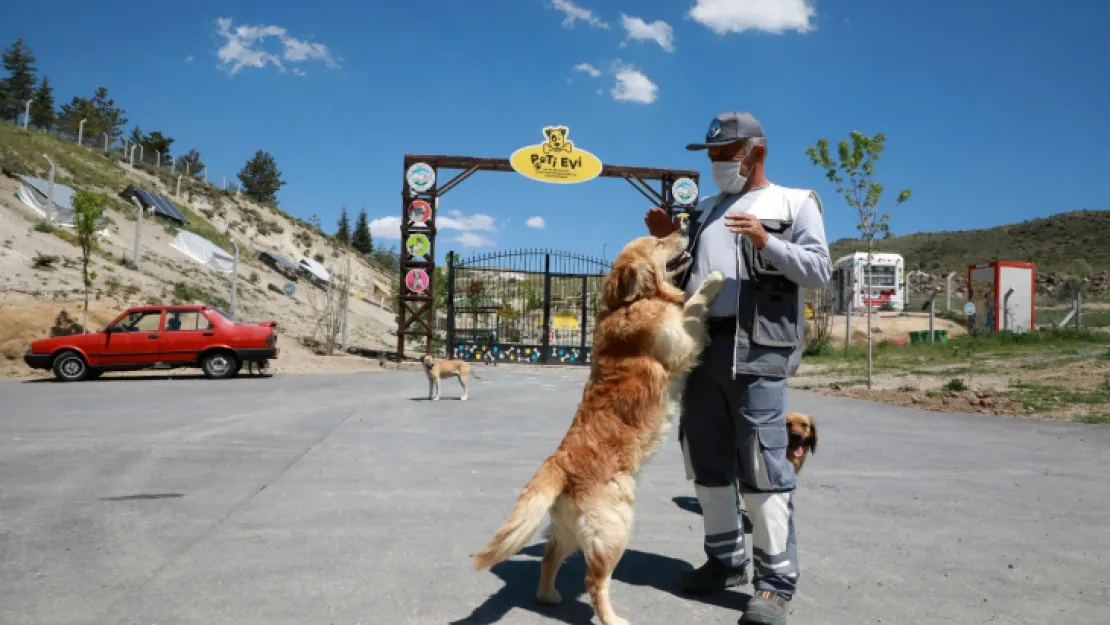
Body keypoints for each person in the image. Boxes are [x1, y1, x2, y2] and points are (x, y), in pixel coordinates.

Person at [645, 111, 831, 625]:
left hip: (758, 351)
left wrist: (766, 241)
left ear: (756, 152)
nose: (716, 163)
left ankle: (774, 585)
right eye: (711, 155)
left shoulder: (795, 202)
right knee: (706, 459)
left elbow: (818, 270)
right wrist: (667, 242)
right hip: (702, 349)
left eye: (725, 153)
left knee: (764, 466)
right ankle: (724, 561)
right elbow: (686, 275)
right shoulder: (704, 210)